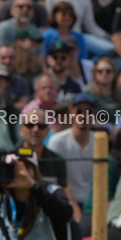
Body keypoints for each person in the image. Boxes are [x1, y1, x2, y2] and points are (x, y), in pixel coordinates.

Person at [47, 93, 98, 231]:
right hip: (66, 201)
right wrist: (73, 206)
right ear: (71, 113)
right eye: (79, 111)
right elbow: (59, 179)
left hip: (93, 202)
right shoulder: (58, 141)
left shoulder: (99, 141)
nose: (83, 116)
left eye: (88, 112)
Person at [84, 57, 121, 121]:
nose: (104, 74)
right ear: (95, 73)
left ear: (114, 73)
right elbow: (83, 117)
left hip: (116, 129)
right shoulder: (88, 92)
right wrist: (107, 126)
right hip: (94, 129)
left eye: (108, 71)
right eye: (100, 71)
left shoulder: (120, 93)